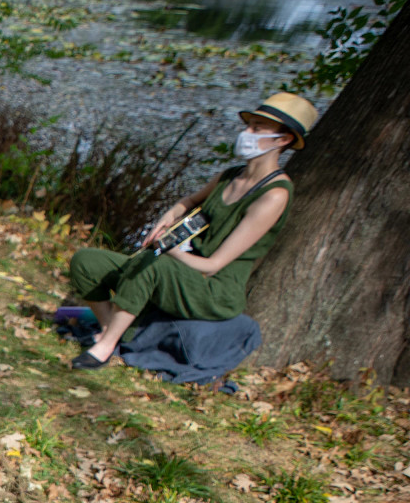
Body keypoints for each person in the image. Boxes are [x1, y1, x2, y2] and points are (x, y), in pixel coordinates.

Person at [64, 92, 317, 369]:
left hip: (215, 290)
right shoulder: (229, 175)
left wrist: (168, 250)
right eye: (247, 126)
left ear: (283, 140)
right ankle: (111, 329)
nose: (246, 133)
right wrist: (168, 218)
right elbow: (190, 202)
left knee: (154, 265)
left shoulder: (275, 195)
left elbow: (213, 265)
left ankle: (105, 346)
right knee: (87, 261)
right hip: (183, 272)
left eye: (257, 129)